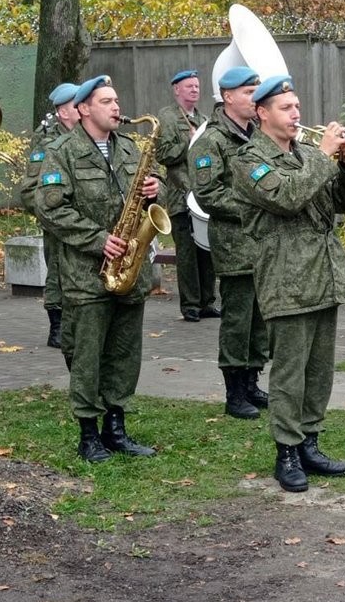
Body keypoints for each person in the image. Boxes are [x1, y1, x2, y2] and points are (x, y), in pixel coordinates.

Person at [232, 75, 345, 493]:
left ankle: (310, 442)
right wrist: (324, 158)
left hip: (323, 273)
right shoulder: (250, 160)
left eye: (297, 106)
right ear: (261, 112)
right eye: (286, 108)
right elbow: (286, 198)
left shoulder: (307, 151)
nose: (296, 114)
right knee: (289, 372)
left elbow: (340, 203)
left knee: (319, 369)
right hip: (286, 277)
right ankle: (286, 451)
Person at [34, 75, 159, 462]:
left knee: (124, 352)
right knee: (87, 355)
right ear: (84, 108)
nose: (116, 107)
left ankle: (116, 427)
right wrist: (98, 239)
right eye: (106, 101)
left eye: (117, 100)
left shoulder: (129, 148)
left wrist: (158, 189)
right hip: (87, 275)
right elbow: (51, 207)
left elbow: (153, 190)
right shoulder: (62, 152)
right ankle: (89, 433)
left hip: (129, 272)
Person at [190, 66, 271, 420]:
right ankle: (234, 390)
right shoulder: (211, 139)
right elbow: (208, 193)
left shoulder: (257, 134)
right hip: (236, 242)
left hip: (264, 242)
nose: (256, 97)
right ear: (228, 96)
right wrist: (257, 204)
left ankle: (252, 381)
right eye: (249, 91)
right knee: (238, 319)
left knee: (260, 318)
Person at [155, 69, 218, 322]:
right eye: (189, 86)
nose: (195, 89)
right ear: (177, 89)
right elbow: (163, 154)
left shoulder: (203, 117)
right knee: (188, 254)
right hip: (181, 197)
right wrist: (188, 143)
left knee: (207, 251)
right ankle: (190, 305)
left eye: (197, 85)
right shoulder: (167, 117)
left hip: (202, 196)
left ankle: (208, 302)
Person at [20, 83, 79, 349]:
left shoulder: (83, 135)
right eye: (77, 103)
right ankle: (57, 326)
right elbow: (30, 189)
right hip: (57, 219)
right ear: (64, 112)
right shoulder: (47, 141)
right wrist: (50, 216)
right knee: (57, 271)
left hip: (79, 218)